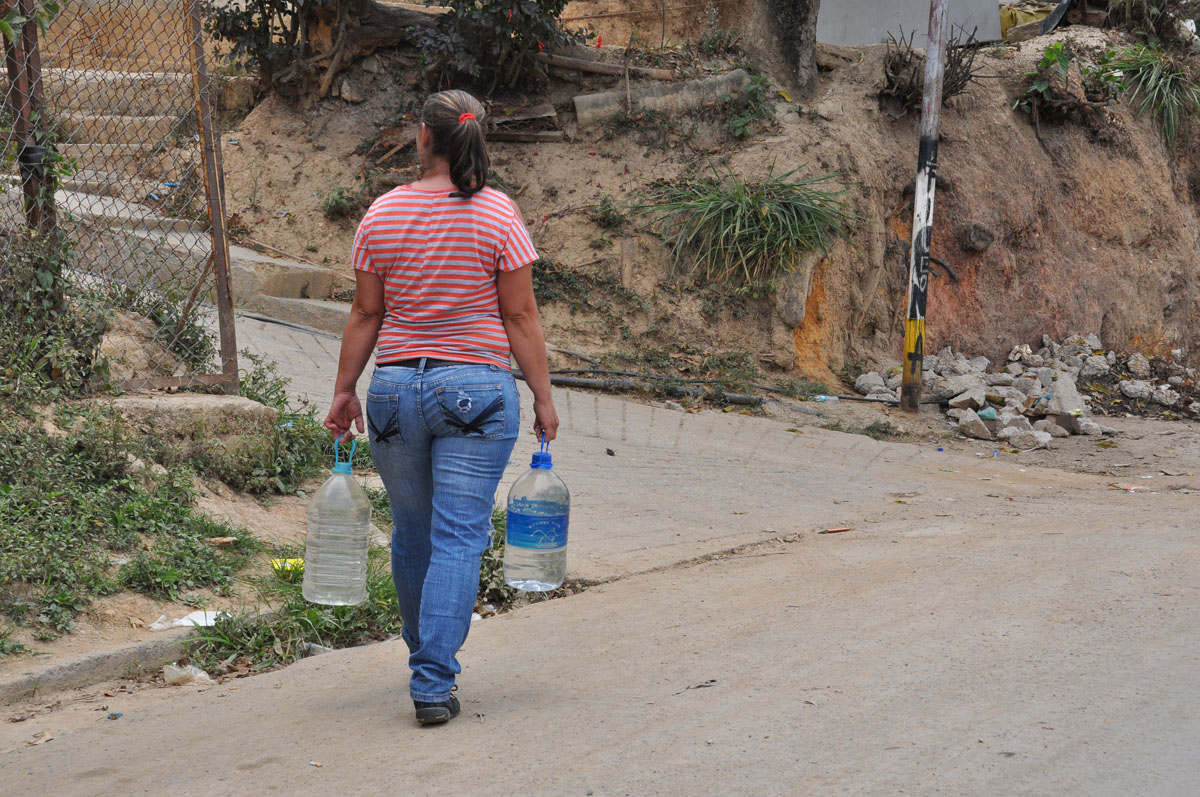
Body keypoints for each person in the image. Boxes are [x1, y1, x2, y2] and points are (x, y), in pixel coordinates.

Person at [323, 89, 559, 726]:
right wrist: (542, 394)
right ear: (476, 138)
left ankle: (423, 657)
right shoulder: (497, 214)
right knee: (459, 536)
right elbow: (519, 315)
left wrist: (344, 390)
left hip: (396, 391)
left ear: (422, 137)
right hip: (476, 393)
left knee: (413, 532)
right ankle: (432, 680)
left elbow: (366, 312)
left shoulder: (382, 212)